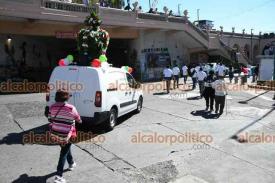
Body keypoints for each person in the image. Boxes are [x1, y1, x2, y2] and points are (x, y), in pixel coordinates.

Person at [49, 89, 82, 183]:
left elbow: (50, 119)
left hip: (56, 134)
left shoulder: (52, 107)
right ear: (67, 97)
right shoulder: (71, 108)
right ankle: (58, 176)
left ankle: (71, 163)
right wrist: (79, 121)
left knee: (66, 149)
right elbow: (78, 119)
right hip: (66, 135)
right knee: (63, 153)